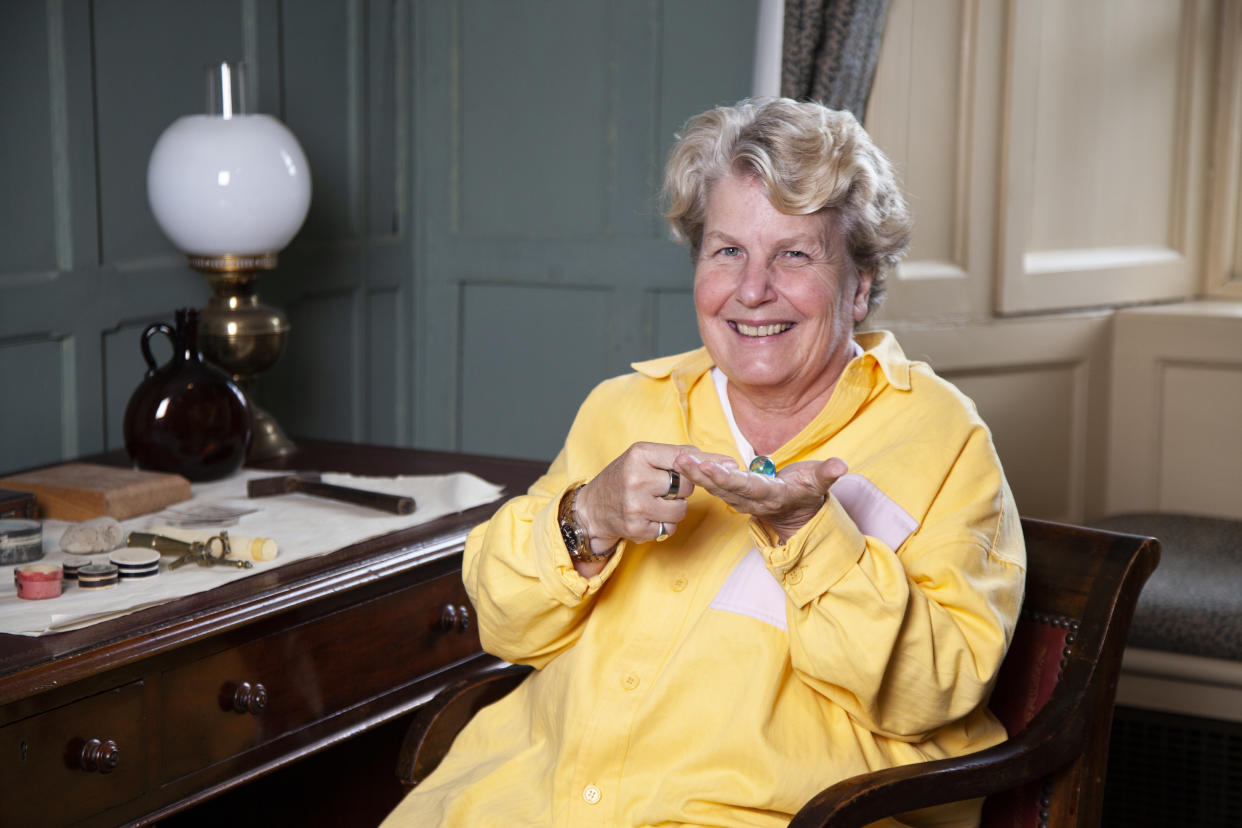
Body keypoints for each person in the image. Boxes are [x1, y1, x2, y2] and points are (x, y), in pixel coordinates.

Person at [382, 97, 1026, 828]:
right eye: (727, 251)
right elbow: (505, 624)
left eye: (794, 253)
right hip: (526, 796)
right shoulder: (622, 407)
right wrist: (584, 519)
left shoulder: (941, 438)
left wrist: (810, 536)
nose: (752, 290)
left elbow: (936, 690)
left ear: (861, 285)